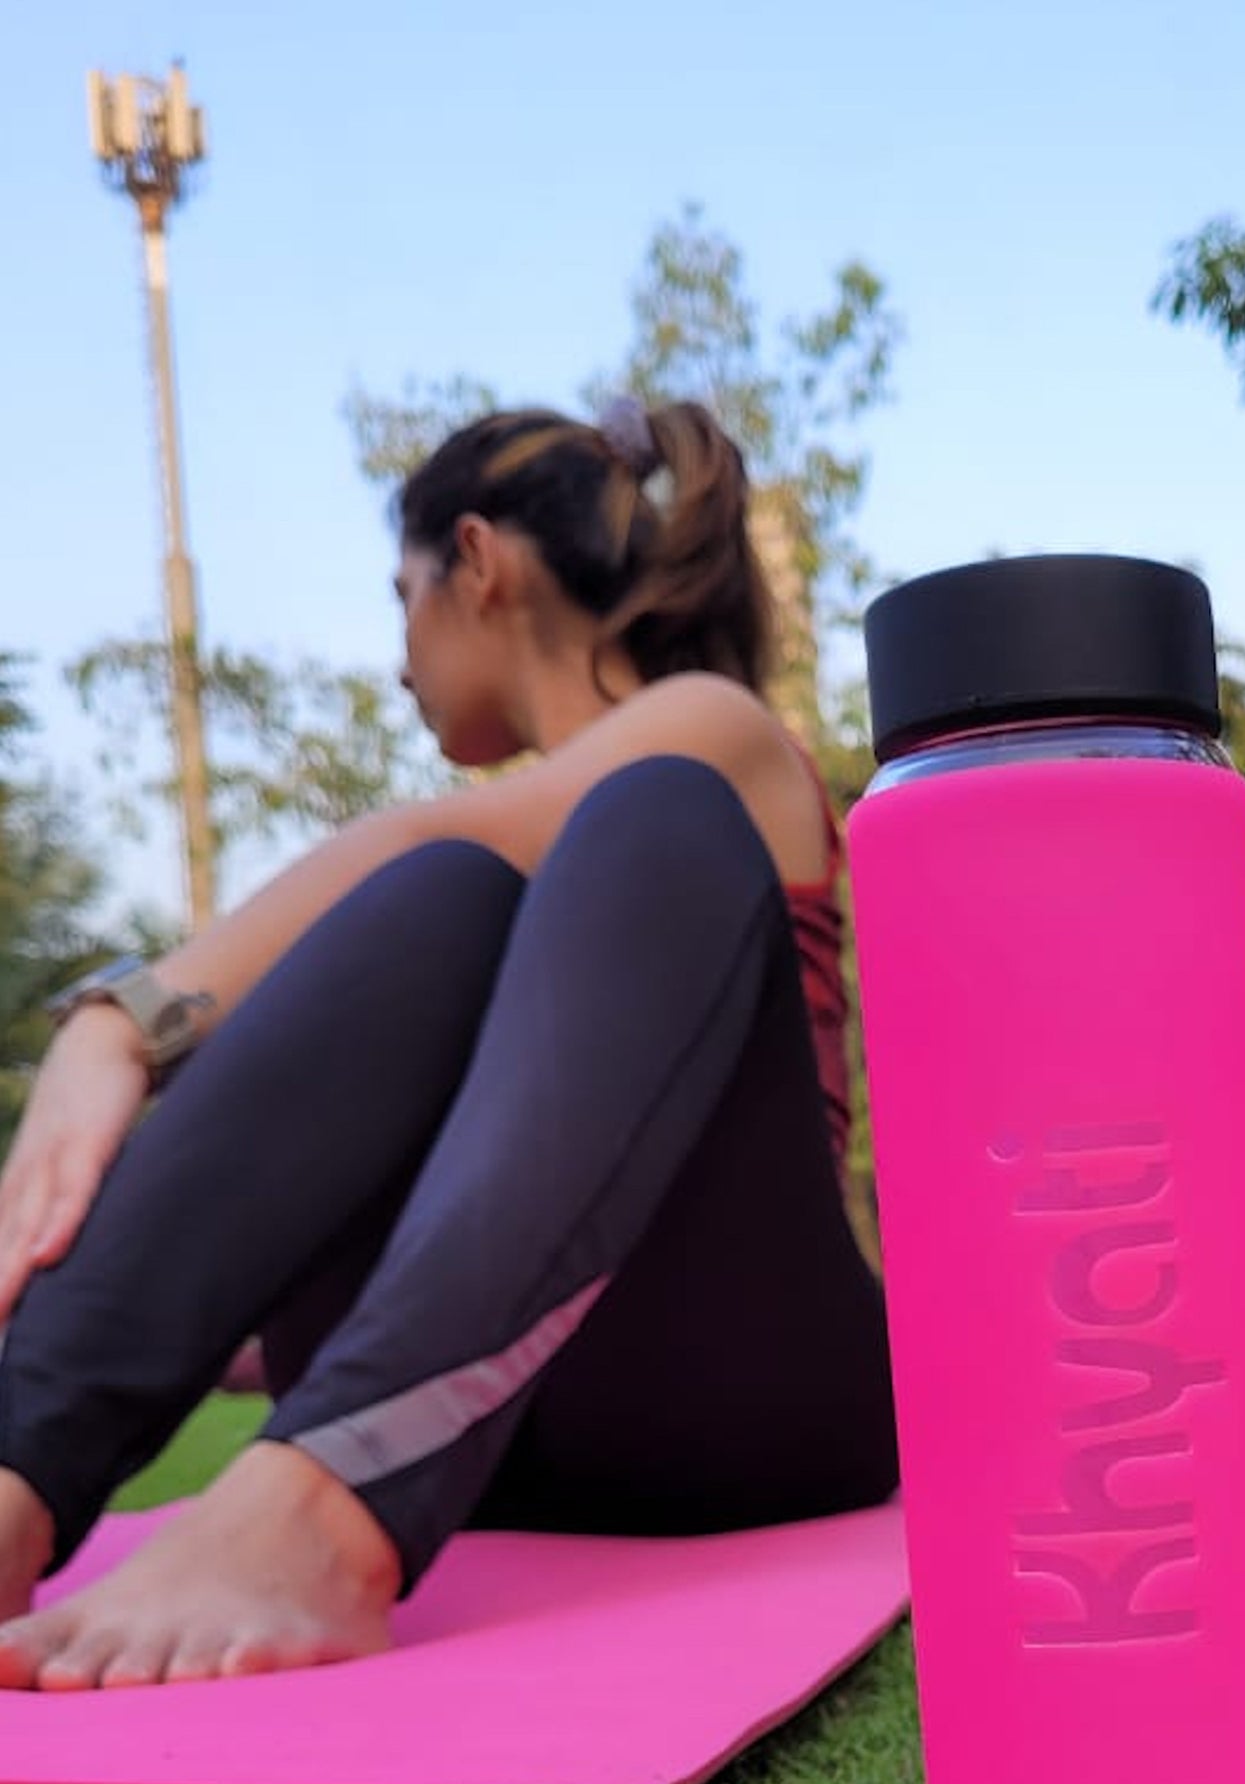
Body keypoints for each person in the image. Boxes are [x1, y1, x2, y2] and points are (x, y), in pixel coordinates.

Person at [0, 399, 899, 1689]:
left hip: (738, 1398)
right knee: (430, 915)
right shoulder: (482, 874)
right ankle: (18, 1474)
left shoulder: (721, 731)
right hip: (497, 1431)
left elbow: (433, 840)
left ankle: (319, 1507)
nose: (400, 659)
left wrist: (117, 1024)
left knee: (612, 833)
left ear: (477, 562)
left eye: (401, 596)